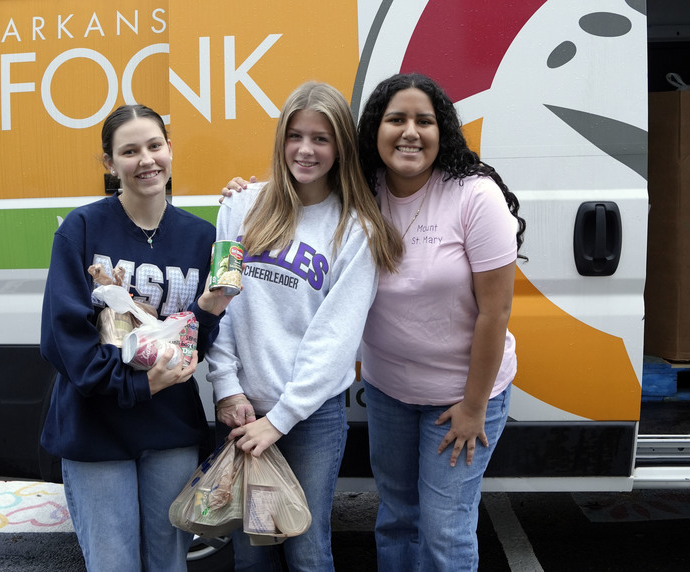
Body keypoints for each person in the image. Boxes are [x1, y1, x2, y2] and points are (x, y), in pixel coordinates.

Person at [224, 72, 526, 572]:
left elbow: (496, 312)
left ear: (442, 130)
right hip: (390, 392)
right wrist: (243, 190)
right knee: (397, 519)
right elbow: (295, 193)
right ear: (373, 133)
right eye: (396, 120)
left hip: (461, 395)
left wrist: (474, 406)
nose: (410, 131)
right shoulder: (367, 193)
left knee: (445, 530)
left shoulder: (474, 195)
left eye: (424, 121)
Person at [206, 81, 403, 572]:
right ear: (281, 139)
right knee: (252, 554)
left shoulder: (357, 226)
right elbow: (221, 306)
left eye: (321, 138)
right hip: (244, 410)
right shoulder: (240, 206)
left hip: (310, 416)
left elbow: (336, 338)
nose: (306, 150)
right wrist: (227, 389)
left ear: (340, 146)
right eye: (295, 135)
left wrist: (281, 419)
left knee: (307, 549)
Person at [39, 104, 234, 572]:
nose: (146, 160)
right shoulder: (81, 229)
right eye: (129, 151)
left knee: (169, 563)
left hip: (169, 428)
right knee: (113, 564)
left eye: (154, 146)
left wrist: (206, 313)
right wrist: (137, 386)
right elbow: (62, 339)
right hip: (96, 425)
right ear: (110, 163)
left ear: (169, 149)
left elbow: (194, 344)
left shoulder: (200, 237)